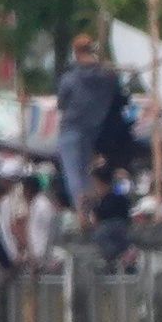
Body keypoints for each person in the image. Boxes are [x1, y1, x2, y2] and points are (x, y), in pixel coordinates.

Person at [54, 35, 126, 210]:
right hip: (93, 129)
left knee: (73, 171)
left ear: (75, 51)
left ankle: (81, 209)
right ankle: (89, 207)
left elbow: (61, 103)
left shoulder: (71, 77)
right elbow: (117, 92)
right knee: (86, 171)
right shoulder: (108, 76)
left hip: (71, 127)